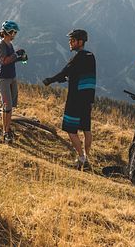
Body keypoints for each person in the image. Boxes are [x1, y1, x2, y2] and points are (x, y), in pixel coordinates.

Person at [42, 29, 96, 169]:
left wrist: (50, 80)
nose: (70, 43)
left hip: (75, 99)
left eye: (72, 40)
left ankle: (81, 158)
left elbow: (64, 72)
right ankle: (87, 158)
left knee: (70, 129)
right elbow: (78, 74)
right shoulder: (91, 56)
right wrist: (67, 78)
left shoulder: (77, 57)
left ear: (80, 41)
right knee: (86, 129)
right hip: (87, 100)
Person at [0, 20, 27, 143]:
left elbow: (12, 60)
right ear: (9, 32)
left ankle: (7, 128)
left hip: (12, 77)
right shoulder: (1, 45)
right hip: (3, 78)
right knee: (6, 106)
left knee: (10, 107)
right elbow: (4, 61)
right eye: (14, 32)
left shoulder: (10, 44)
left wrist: (21, 59)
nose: (15, 34)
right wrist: (16, 54)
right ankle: (5, 132)